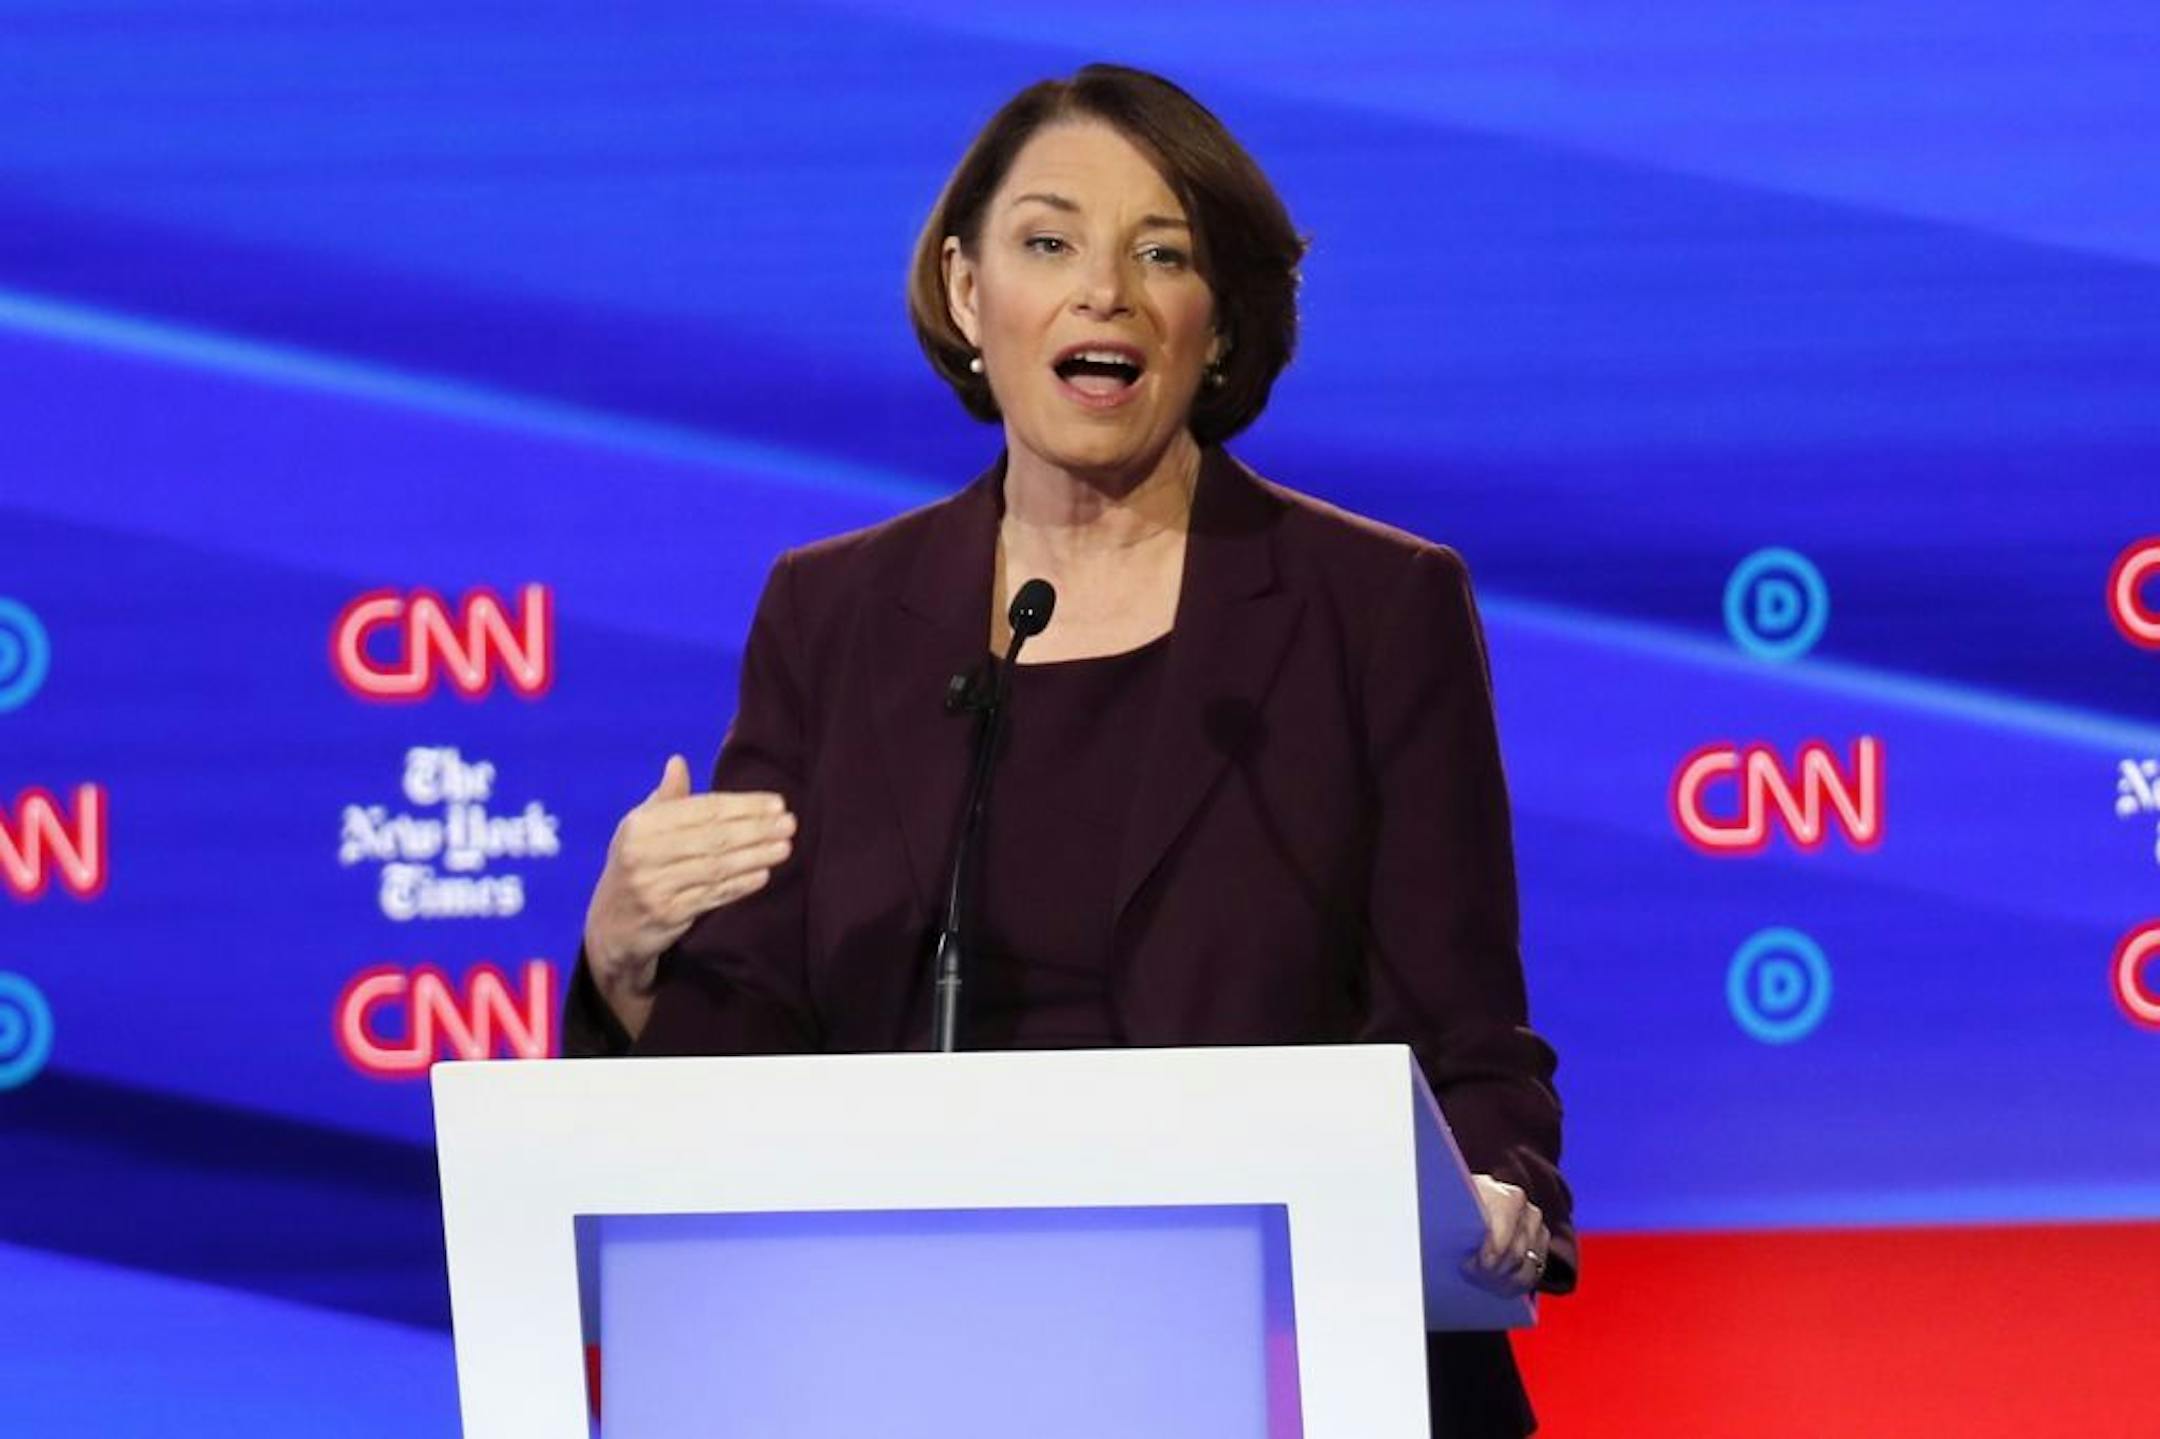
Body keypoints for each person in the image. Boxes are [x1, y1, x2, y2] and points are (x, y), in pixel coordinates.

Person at [563, 62, 1575, 1436]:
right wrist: (627, 965)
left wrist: (1496, 1194)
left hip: (1294, 1363)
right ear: (968, 294)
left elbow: (1469, 1037)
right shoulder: (838, 614)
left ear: (1216, 327)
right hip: (903, 1365)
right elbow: (749, 1071)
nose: (1103, 290)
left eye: (1162, 253)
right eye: (1049, 242)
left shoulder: (1373, 609)